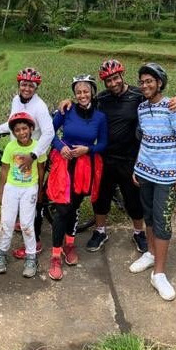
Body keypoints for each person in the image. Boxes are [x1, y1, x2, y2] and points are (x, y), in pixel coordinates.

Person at [59, 59, 176, 255]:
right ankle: (100, 231)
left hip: (131, 158)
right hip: (105, 156)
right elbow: (84, 102)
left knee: (133, 198)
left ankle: (138, 232)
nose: (113, 83)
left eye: (115, 78)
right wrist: (68, 102)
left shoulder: (137, 95)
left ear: (122, 76)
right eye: (108, 80)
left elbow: (156, 98)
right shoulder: (101, 99)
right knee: (101, 197)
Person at [128, 63, 176, 301]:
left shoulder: (172, 107)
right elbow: (144, 140)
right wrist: (137, 167)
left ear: (160, 83)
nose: (145, 85)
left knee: (162, 222)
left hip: (167, 175)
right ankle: (151, 254)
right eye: (142, 82)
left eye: (149, 81)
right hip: (145, 172)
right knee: (149, 216)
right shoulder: (142, 109)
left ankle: (159, 274)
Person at [45, 74, 108, 281]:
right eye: (78, 92)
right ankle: (55, 255)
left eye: (85, 91)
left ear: (92, 92)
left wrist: (87, 150)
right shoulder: (66, 110)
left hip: (84, 167)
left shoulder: (100, 118)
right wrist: (61, 147)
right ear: (74, 94)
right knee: (62, 209)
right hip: (64, 164)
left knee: (74, 206)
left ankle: (69, 244)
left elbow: (103, 145)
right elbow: (50, 133)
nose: (82, 95)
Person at [0, 67, 54, 256]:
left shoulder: (39, 107)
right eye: (23, 84)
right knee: (16, 186)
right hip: (16, 152)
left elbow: (49, 132)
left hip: (34, 155)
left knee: (35, 193)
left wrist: (33, 155)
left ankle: (37, 241)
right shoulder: (16, 100)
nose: (26, 88)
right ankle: (22, 219)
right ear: (19, 85)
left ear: (36, 88)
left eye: (31, 86)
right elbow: (12, 123)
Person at [0, 112, 40, 277]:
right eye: (18, 130)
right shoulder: (11, 147)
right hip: (12, 188)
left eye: (25, 128)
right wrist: (1, 192)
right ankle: (1, 253)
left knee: (27, 224)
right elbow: (4, 170)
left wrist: (39, 190)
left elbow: (41, 170)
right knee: (7, 223)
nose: (22, 132)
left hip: (30, 188)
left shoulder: (38, 147)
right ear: (14, 132)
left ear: (31, 128)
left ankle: (31, 256)